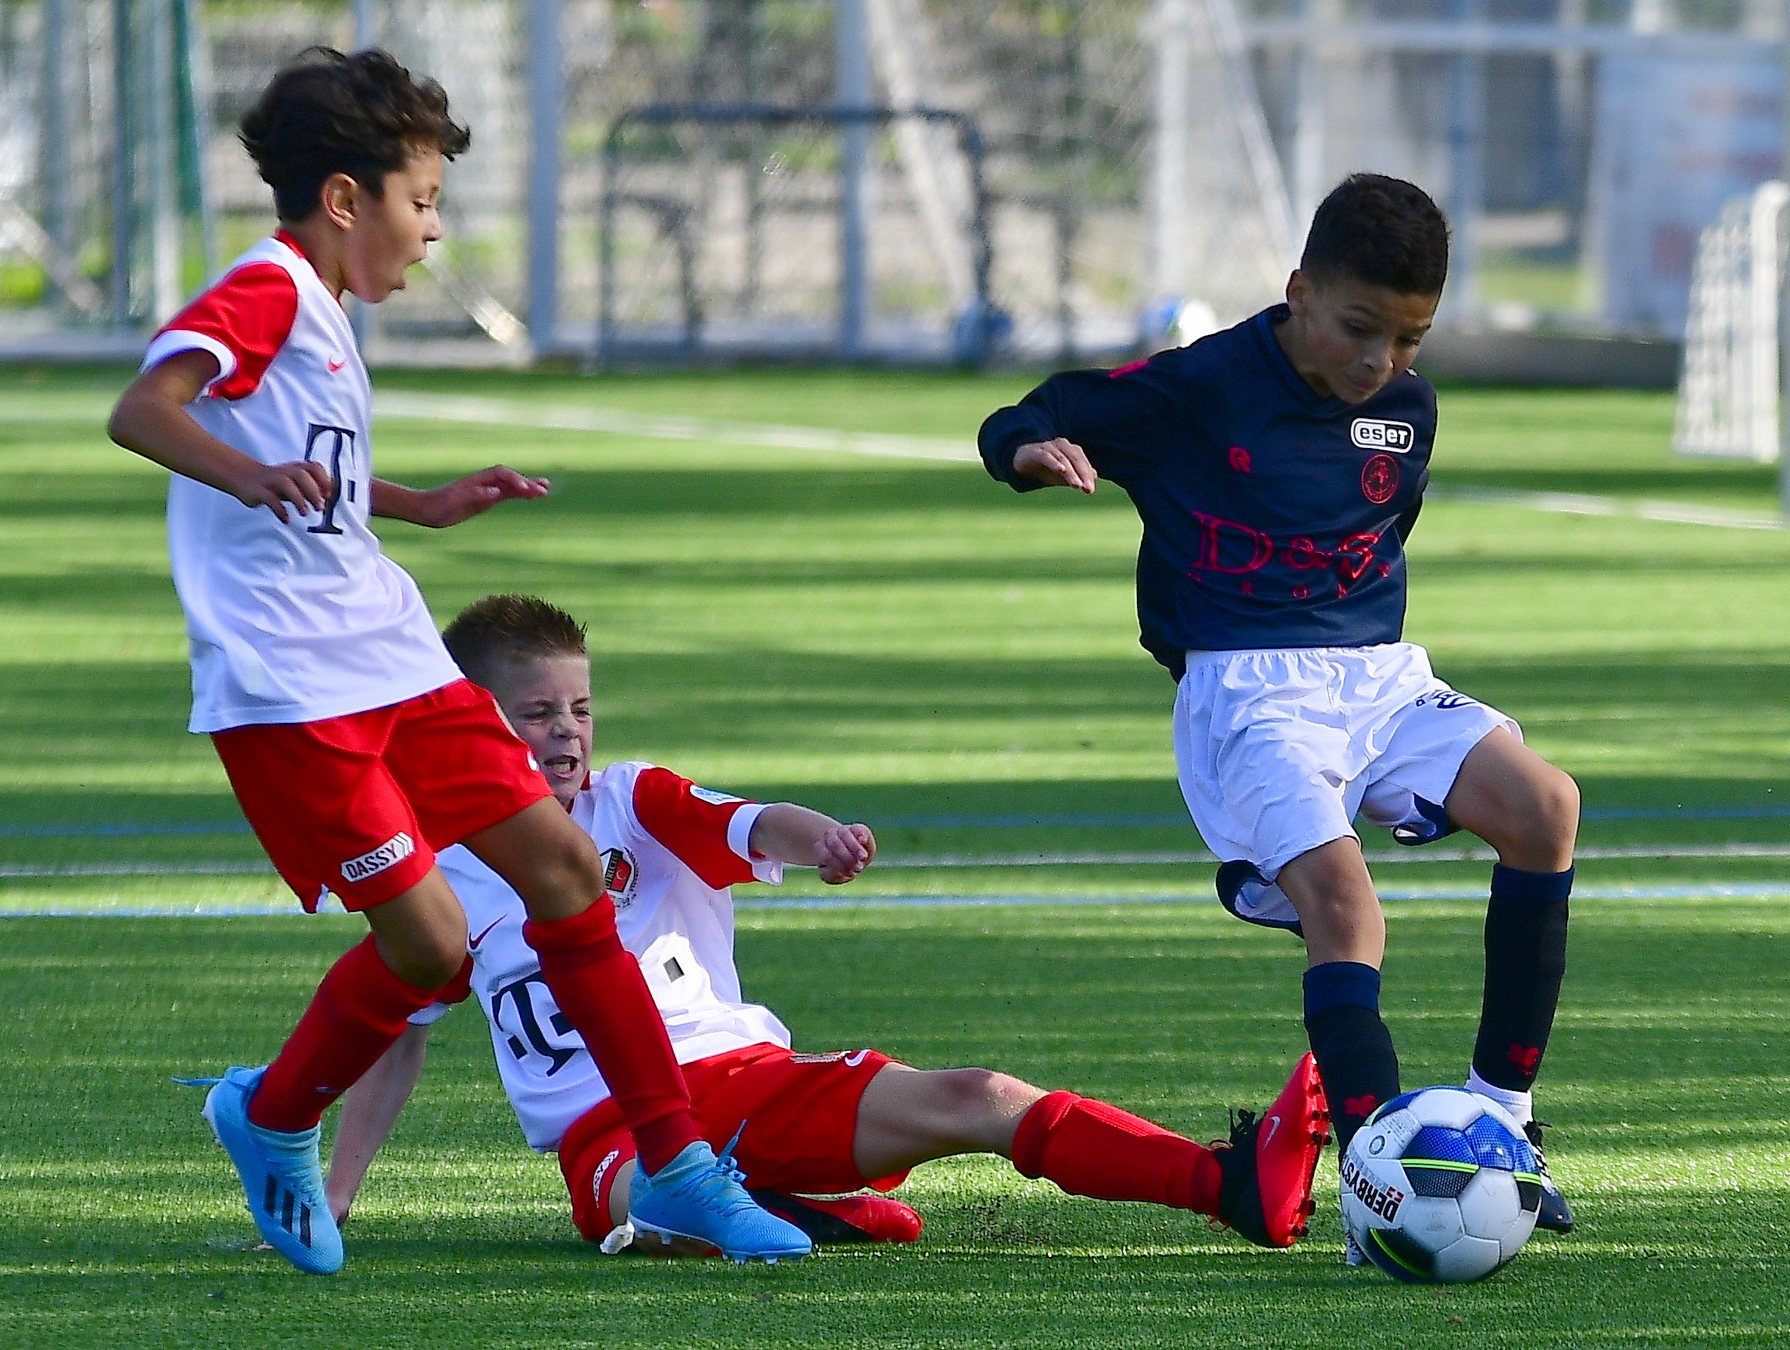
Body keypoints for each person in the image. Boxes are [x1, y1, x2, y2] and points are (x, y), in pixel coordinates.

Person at [106, 47, 807, 1272]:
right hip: (293, 691)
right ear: (343, 199)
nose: (431, 232)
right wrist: (251, 474)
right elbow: (146, 410)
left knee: (568, 869)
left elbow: (312, 471)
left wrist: (419, 506)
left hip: (389, 649)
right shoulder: (265, 289)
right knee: (429, 947)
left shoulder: (324, 314)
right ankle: (270, 1114)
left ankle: (683, 1169)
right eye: (421, 201)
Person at [320, 595, 1330, 1255]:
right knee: (642, 1202)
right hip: (607, 1139)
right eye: (537, 712)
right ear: (467, 720)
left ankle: (1229, 1184)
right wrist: (336, 1198)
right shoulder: (438, 870)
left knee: (977, 1095)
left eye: (580, 709)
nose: (568, 733)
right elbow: (392, 1043)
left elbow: (751, 821)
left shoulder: (633, 803)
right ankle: (778, 1208)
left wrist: (825, 840)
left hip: (737, 1082)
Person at [978, 174, 1581, 1242]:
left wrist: (1409, 773)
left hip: (1381, 675)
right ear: (1298, 291)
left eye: (1409, 338)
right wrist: (1026, 452)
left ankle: (1505, 1119)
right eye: (1359, 328)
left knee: (1545, 807)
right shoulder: (1202, 387)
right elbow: (1048, 408)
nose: (1379, 361)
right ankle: (1376, 1169)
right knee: (1350, 913)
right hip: (1248, 691)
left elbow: (1373, 550)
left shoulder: (1407, 413)